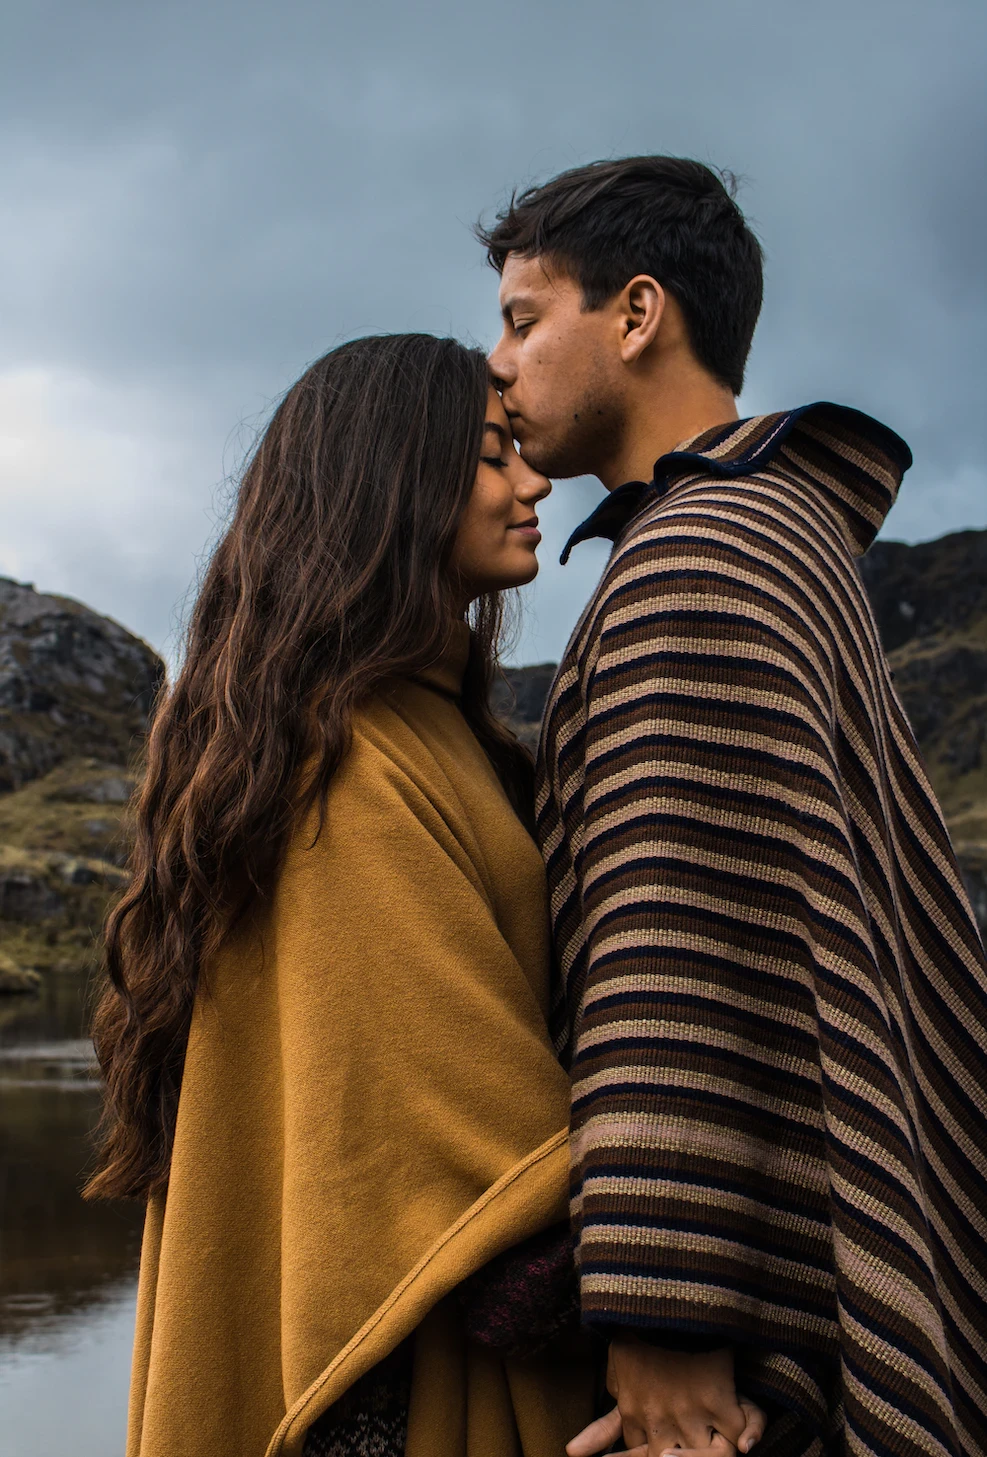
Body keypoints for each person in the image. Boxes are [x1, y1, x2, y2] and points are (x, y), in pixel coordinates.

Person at [480, 156, 987, 1457]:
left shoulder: (695, 554)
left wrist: (661, 1333)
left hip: (724, 1372)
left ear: (635, 314)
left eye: (523, 318)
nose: (497, 362)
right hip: (789, 1283)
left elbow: (670, 954)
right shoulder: (777, 528)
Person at [85, 333, 599, 1457]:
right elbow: (460, 1155)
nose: (532, 482)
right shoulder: (352, 758)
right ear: (392, 481)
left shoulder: (395, 722)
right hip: (391, 1375)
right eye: (492, 454)